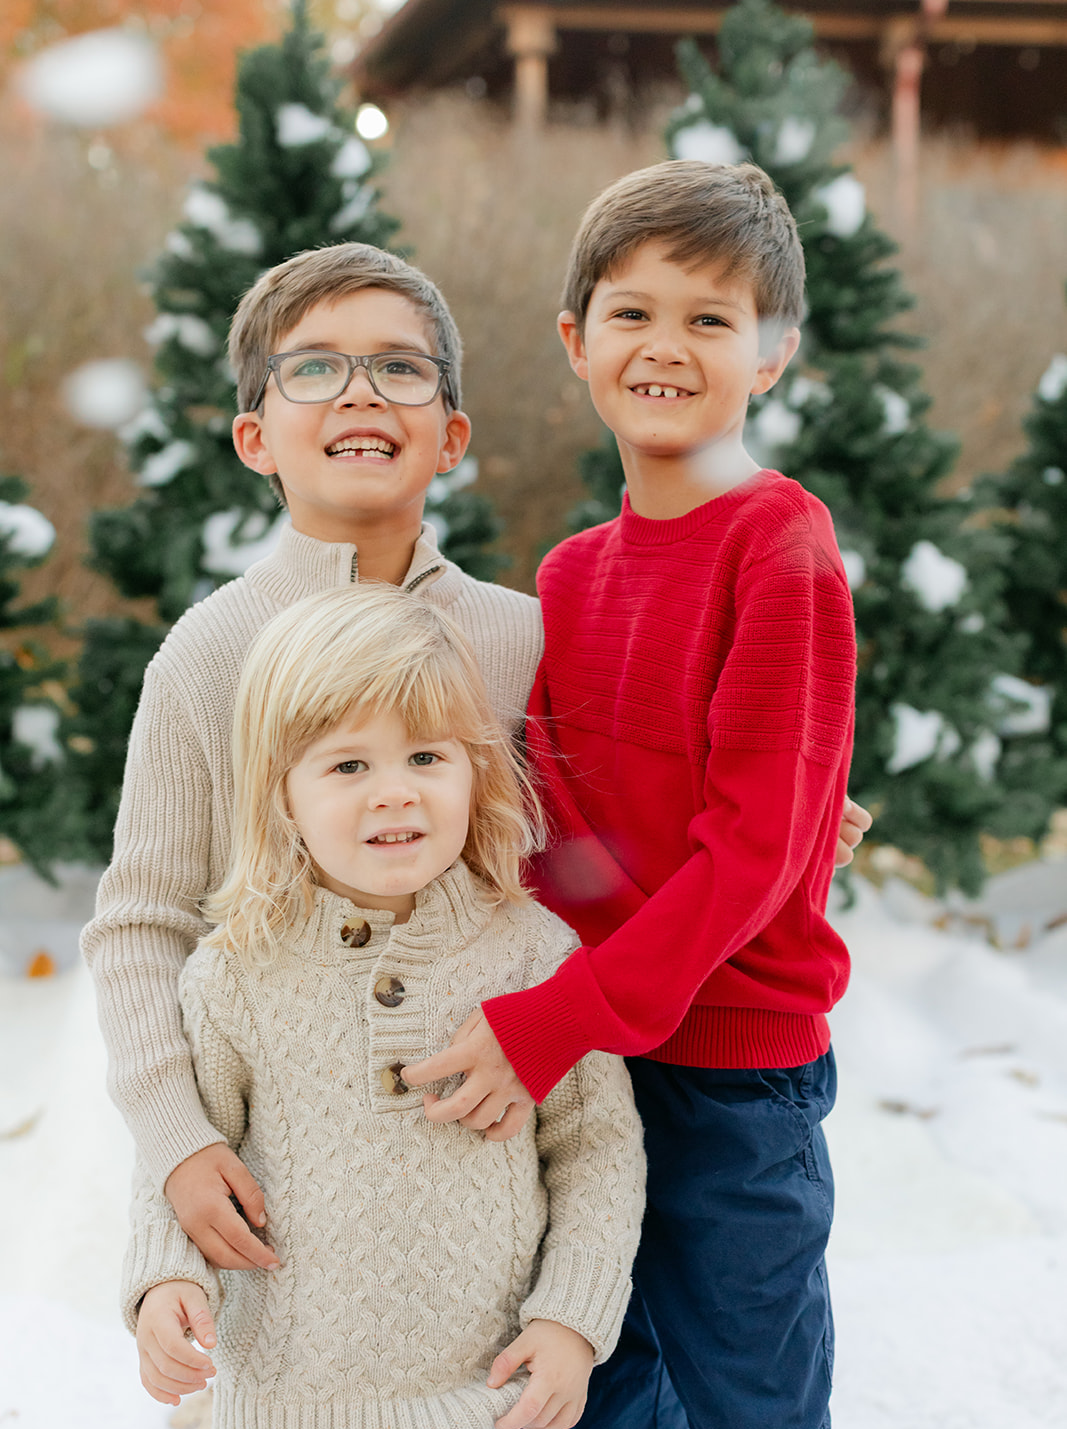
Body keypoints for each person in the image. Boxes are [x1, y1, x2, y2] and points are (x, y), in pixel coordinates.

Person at [83, 236, 868, 1274]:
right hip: (294, 1172)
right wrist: (175, 1136)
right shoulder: (207, 657)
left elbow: (618, 809)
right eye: (313, 367)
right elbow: (143, 921)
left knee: (556, 1422)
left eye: (399, 368)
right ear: (253, 435)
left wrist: (808, 816)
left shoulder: (516, 635)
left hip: (500, 1150)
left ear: (450, 435)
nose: (359, 395)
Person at [402, 161, 878, 1429]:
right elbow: (565, 825)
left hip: (728, 1088)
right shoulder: (568, 576)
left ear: (772, 350)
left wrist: (553, 1019)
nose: (665, 347)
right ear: (572, 339)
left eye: (710, 318)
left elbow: (737, 854)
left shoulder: (776, 547)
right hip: (599, 1083)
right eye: (631, 311)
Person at [126, 585, 646, 1429]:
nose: (394, 793)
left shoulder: (533, 954)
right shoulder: (235, 972)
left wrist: (570, 1318)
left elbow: (595, 1149)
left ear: (472, 771)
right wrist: (162, 1278)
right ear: (282, 793)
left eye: (425, 757)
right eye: (349, 765)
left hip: (479, 1420)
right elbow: (182, 1156)